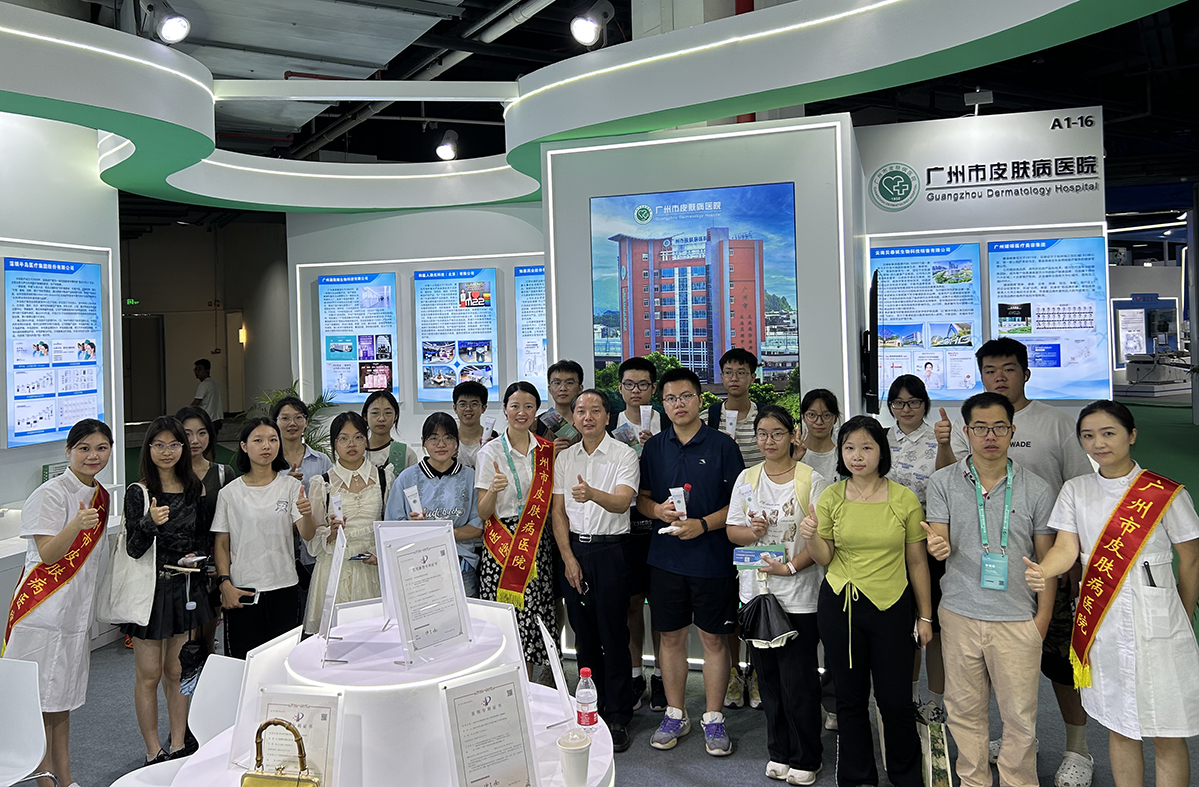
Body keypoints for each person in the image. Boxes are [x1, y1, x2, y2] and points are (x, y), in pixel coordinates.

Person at [936, 337, 1095, 785]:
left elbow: (1080, 494)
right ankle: (998, 751)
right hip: (972, 589)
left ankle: (1078, 748)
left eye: (1008, 368)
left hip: (1044, 568)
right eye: (990, 370)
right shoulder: (965, 440)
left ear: (1026, 372)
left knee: (1056, 667)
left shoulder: (1055, 423)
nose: (999, 376)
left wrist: (1070, 563)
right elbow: (949, 483)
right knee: (975, 693)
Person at [1025, 401, 1199, 787]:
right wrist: (1044, 569)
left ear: (1131, 435)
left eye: (1108, 433)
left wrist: (1183, 613)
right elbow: (1066, 548)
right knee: (1120, 726)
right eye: (1088, 436)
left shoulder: (1164, 492)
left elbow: (1190, 558)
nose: (1098, 443)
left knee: (1167, 731)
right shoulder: (1076, 490)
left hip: (1158, 622)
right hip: (1101, 622)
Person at [923, 392, 1057, 787]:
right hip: (960, 613)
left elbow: (1047, 562)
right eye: (980, 428)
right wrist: (937, 546)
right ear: (966, 432)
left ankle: (1019, 781)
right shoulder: (943, 482)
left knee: (1020, 717)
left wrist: (1041, 620)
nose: (990, 436)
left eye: (999, 427)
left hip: (1017, 618)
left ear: (1012, 430)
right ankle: (973, 781)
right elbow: (939, 538)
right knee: (964, 711)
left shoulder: (1037, 488)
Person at [800, 415, 932, 787]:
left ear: (881, 452)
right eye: (849, 448)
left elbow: (917, 561)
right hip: (841, 607)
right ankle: (857, 777)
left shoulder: (903, 498)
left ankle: (906, 776)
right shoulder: (831, 496)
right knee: (850, 699)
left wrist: (925, 616)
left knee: (895, 700)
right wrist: (810, 536)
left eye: (866, 447)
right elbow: (825, 558)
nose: (857, 456)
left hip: (892, 607)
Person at [638, 367, 744, 756]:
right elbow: (642, 498)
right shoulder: (654, 447)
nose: (678, 404)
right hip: (665, 558)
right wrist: (657, 511)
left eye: (685, 396)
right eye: (670, 398)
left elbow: (739, 503)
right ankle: (675, 713)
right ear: (662, 404)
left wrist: (702, 524)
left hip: (713, 558)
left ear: (700, 400)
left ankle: (713, 718)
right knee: (670, 637)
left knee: (714, 639)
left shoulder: (723, 446)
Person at [3, 420, 113, 787]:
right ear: (68, 451)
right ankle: (43, 778)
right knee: (35, 704)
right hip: (41, 612)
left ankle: (63, 777)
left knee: (60, 702)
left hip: (73, 615)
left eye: (101, 448)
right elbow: (49, 554)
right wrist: (76, 525)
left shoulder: (100, 495)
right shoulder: (49, 494)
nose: (93, 455)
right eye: (84, 448)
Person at [726, 405, 829, 785]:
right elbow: (733, 532)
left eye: (777, 433)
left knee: (798, 681)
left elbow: (821, 539)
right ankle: (779, 751)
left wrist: (790, 567)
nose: (769, 441)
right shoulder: (747, 478)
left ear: (792, 436)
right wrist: (753, 533)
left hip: (798, 593)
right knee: (768, 679)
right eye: (762, 434)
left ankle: (807, 756)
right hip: (757, 593)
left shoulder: (811, 479)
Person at [551, 388, 640, 752]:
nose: (587, 417)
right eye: (580, 411)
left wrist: (592, 494)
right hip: (575, 550)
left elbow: (622, 502)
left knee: (614, 634)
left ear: (607, 416)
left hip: (611, 551)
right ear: (573, 417)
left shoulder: (624, 454)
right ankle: (590, 708)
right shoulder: (565, 458)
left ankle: (617, 715)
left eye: (595, 410)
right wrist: (568, 558)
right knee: (583, 636)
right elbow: (558, 512)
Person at [123, 416, 212, 765]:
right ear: (148, 448)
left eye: (174, 444)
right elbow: (133, 549)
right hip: (150, 592)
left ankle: (177, 744)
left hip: (184, 588)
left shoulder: (194, 488)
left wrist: (196, 557)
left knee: (178, 671)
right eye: (158, 445)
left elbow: (201, 537)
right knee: (149, 675)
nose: (167, 451)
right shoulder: (139, 491)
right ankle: (152, 750)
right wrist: (150, 522)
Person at [212, 417, 316, 658]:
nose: (266, 446)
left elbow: (307, 534)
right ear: (244, 446)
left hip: (284, 585)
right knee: (244, 659)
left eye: (272, 440)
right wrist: (224, 582)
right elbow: (222, 544)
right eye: (258, 440)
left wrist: (308, 513)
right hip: (244, 589)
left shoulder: (290, 487)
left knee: (282, 659)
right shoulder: (229, 493)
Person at [474, 382, 558, 673]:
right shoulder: (490, 452)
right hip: (501, 544)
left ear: (536, 411)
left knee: (534, 614)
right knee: (506, 618)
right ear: (505, 409)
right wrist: (493, 490)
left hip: (536, 541)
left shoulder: (546, 451)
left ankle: (533, 685)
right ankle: (504, 681)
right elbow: (482, 512)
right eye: (515, 406)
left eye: (528, 407)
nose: (521, 412)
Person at [701, 348, 764, 710]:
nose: (734, 378)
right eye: (728, 372)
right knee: (728, 601)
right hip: (721, 516)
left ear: (752, 377)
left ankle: (756, 672)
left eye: (741, 372)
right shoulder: (710, 415)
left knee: (757, 597)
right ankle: (734, 673)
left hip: (758, 521)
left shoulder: (763, 416)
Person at [885, 374, 950, 722]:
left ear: (924, 404)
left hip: (930, 542)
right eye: (899, 402)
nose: (906, 408)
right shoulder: (880, 439)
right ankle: (908, 699)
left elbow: (949, 479)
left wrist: (944, 444)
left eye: (913, 402)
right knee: (902, 628)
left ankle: (936, 702)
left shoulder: (937, 437)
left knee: (933, 627)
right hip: (888, 546)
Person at [303, 412, 393, 634]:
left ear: (366, 440)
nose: (351, 444)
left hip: (373, 566)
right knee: (336, 638)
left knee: (377, 637)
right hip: (334, 567)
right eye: (343, 439)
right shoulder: (322, 483)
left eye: (358, 437)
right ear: (334, 444)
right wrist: (331, 533)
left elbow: (390, 525)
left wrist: (380, 553)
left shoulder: (384, 478)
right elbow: (313, 536)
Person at [614, 357, 664, 711]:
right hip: (625, 520)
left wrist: (656, 446)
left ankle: (662, 674)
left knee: (661, 604)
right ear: (620, 389)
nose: (636, 390)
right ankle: (635, 674)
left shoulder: (667, 421)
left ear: (653, 388)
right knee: (631, 603)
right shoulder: (609, 424)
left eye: (643, 384)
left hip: (660, 517)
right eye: (629, 384)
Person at [390, 413, 484, 598]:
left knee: (465, 614)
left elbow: (477, 527)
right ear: (423, 442)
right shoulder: (407, 478)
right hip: (417, 565)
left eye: (448, 438)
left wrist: (442, 533)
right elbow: (393, 526)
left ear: (456, 442)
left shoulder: (470, 477)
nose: (441, 444)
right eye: (434, 438)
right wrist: (411, 526)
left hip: (460, 564)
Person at [175, 405, 235, 653]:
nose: (195, 440)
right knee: (179, 644)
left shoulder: (222, 474)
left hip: (211, 565)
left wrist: (223, 567)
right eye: (187, 433)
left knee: (207, 640)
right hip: (176, 568)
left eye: (202, 433)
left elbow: (231, 525)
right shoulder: (165, 475)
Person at [272, 396, 331, 611]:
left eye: (298, 417)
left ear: (306, 422)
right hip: (278, 548)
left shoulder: (321, 460)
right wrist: (284, 484)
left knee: (313, 609)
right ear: (275, 422)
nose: (292, 423)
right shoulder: (268, 461)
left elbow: (330, 501)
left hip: (312, 549)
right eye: (285, 418)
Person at [362, 391, 420, 474]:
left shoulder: (406, 454)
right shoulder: (357, 451)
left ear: (395, 416)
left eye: (388, 413)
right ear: (365, 416)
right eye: (375, 413)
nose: (381, 418)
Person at [538, 359, 584, 452]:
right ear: (549, 389)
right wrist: (549, 453)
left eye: (569, 383)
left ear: (580, 388)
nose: (563, 388)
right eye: (557, 383)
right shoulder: (537, 425)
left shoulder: (588, 421)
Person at [796, 388, 840, 482]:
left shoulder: (842, 454)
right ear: (803, 417)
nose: (819, 422)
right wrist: (792, 461)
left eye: (826, 415)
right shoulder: (795, 453)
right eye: (812, 415)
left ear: (835, 419)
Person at [453, 380, 498, 469]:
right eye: (462, 404)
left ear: (484, 408)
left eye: (474, 404)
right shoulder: (448, 441)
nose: (468, 409)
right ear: (455, 408)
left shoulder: (495, 439)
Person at [190, 358, 223, 435]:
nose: (197, 372)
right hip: (217, 419)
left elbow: (196, 402)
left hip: (206, 419)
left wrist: (186, 412)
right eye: (195, 369)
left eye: (200, 369)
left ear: (207, 371)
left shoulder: (204, 384)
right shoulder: (215, 383)